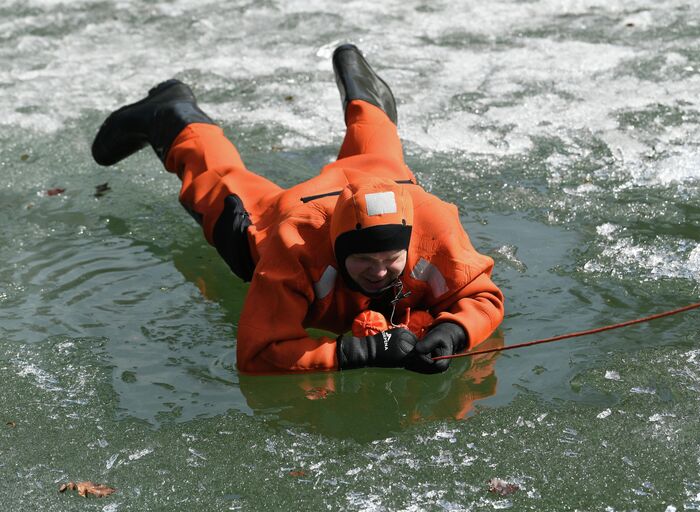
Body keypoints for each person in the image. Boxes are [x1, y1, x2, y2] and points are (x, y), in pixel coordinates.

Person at [91, 44, 504, 374]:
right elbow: (258, 352)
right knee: (219, 186)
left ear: (409, 242)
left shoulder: (434, 226)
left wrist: (454, 331)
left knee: (381, 161)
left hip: (383, 179)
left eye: (389, 259)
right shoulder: (294, 245)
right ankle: (173, 112)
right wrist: (355, 352)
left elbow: (483, 297)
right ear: (338, 249)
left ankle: (368, 99)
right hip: (291, 211)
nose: (379, 272)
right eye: (363, 260)